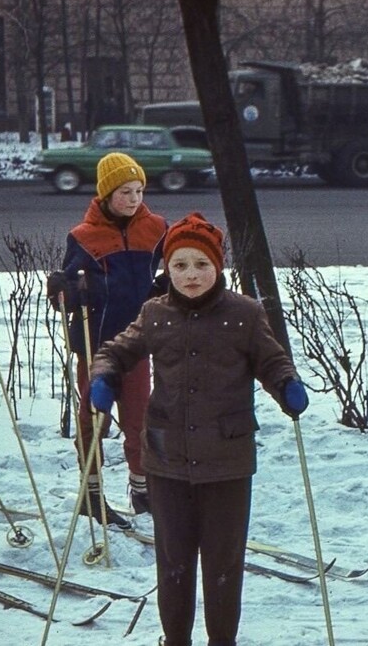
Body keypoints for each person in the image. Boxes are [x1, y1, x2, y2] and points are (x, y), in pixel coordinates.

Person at [89, 212, 308, 646]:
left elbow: (271, 358)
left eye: (201, 265)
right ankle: (176, 640)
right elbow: (119, 348)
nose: (191, 275)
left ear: (218, 266)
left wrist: (286, 384)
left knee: (224, 563)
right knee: (173, 561)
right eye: (180, 265)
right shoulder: (155, 313)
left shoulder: (244, 314)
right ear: (167, 269)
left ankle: (221, 640)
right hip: (167, 460)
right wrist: (105, 374)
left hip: (227, 461)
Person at [46, 152, 167, 527]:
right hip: (96, 344)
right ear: (105, 194)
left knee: (139, 420)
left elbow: (179, 263)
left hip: (137, 343)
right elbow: (64, 294)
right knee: (93, 420)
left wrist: (165, 286)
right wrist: (64, 290)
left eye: (139, 191)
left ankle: (141, 488)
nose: (133, 199)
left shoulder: (157, 228)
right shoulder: (83, 237)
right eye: (125, 192)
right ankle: (91, 492)